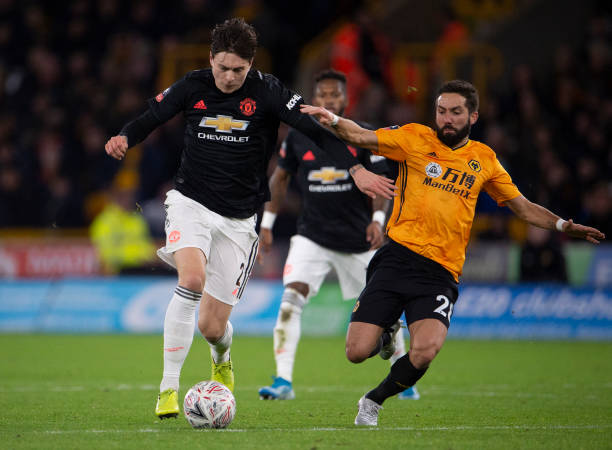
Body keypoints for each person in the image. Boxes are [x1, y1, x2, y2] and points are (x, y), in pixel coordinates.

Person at [104, 18, 396, 420]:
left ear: (251, 64)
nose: (228, 77)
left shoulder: (269, 91)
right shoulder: (193, 85)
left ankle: (221, 355)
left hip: (239, 220)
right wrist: (124, 136)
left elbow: (316, 131)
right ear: (211, 59)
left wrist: (355, 168)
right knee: (190, 280)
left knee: (211, 326)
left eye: (237, 70)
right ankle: (167, 388)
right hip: (191, 202)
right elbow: (152, 116)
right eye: (222, 68)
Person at [300, 79, 605, 426]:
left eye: (456, 112)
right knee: (356, 352)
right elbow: (361, 136)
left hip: (440, 272)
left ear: (473, 116)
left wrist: (564, 226)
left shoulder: (484, 159)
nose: (447, 118)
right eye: (441, 111)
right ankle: (387, 332)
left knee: (425, 351)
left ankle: (374, 400)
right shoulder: (414, 138)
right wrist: (335, 121)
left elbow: (521, 207)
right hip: (397, 258)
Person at [256, 69, 419, 401]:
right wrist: (267, 225)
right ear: (314, 99)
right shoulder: (297, 137)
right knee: (290, 300)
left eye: (334, 95)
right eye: (322, 95)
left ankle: (403, 378)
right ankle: (283, 381)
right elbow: (280, 180)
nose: (328, 100)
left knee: (386, 313)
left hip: (358, 239)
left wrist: (377, 220)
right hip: (312, 236)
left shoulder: (362, 135)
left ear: (345, 99)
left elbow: (380, 181)